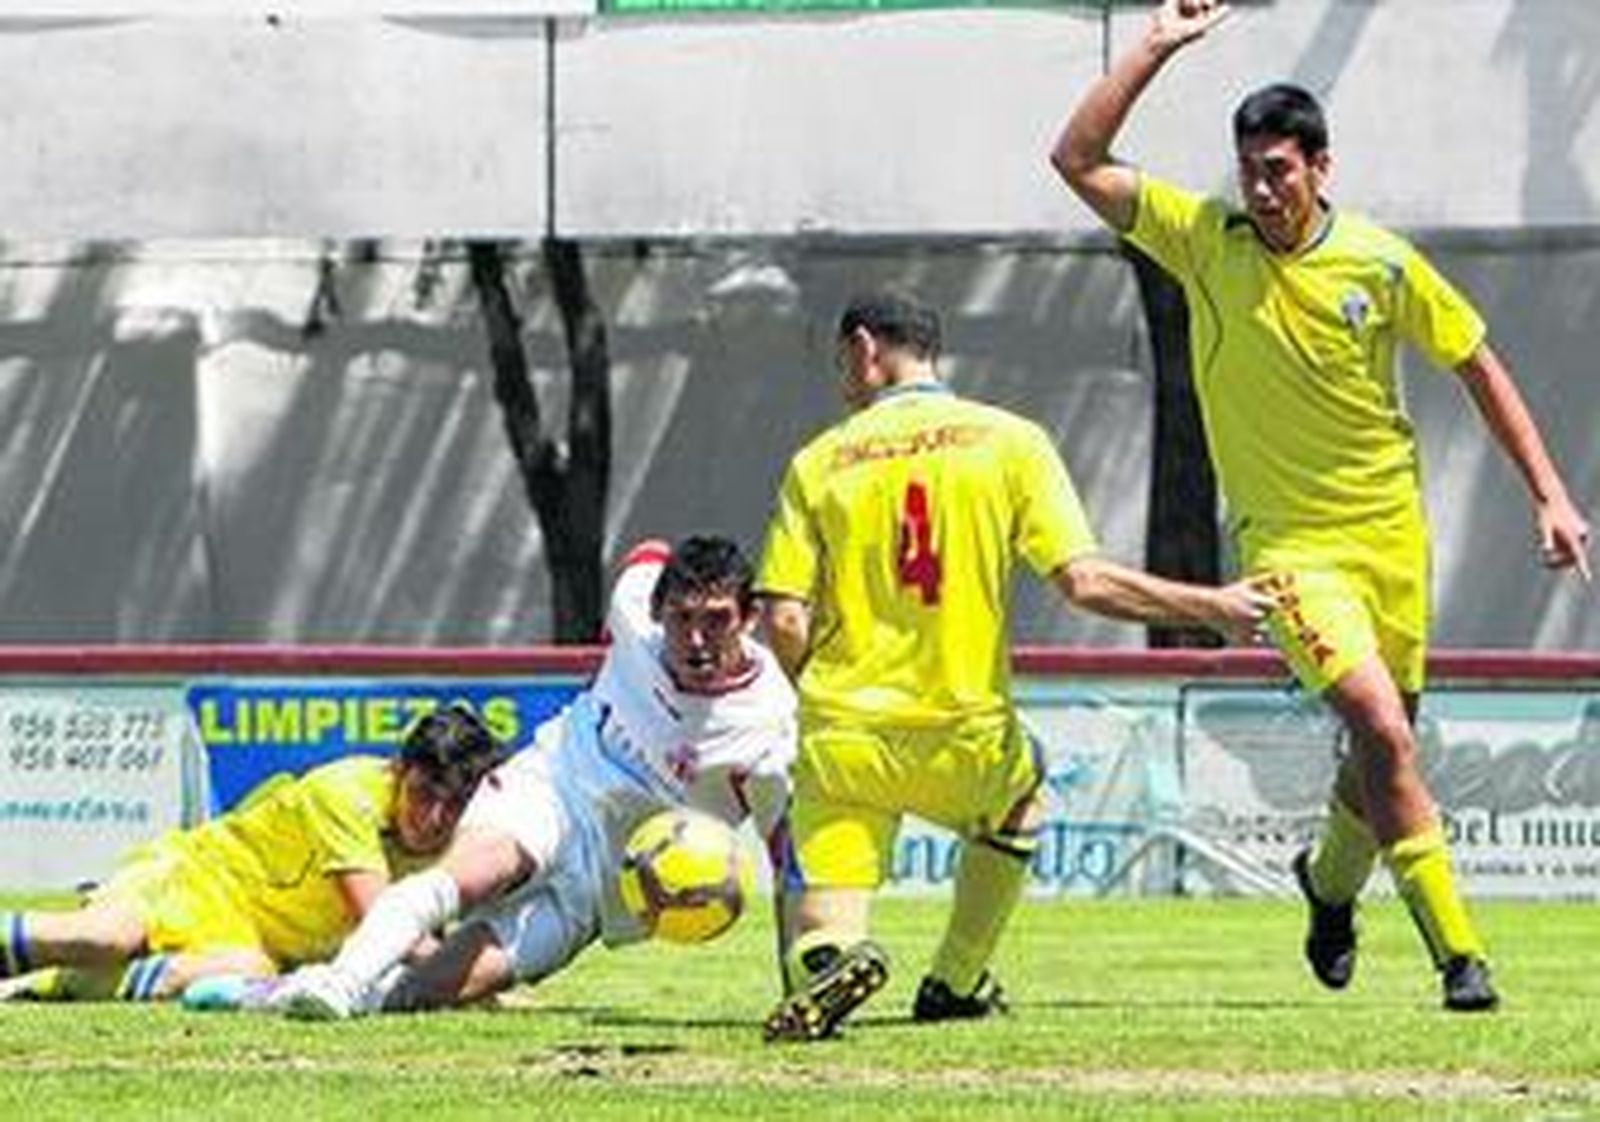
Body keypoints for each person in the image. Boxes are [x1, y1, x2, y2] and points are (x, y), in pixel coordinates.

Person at [1049, 0, 1591, 1011]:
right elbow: (1076, 158)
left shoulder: (1380, 264)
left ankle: (1328, 885)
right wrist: (1156, 46)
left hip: (1392, 540)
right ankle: (1459, 957)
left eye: (1278, 170)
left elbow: (1475, 361)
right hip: (1288, 553)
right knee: (1381, 732)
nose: (1259, 188)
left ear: (1319, 168)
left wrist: (1550, 495)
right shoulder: (1205, 241)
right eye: (1248, 168)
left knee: (1383, 748)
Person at [757, 289, 1273, 1042]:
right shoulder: (1010, 441)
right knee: (1021, 800)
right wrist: (1213, 606)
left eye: (844, 362)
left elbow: (783, 617)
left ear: (867, 349)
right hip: (963, 728)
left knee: (822, 913)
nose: (844, 380)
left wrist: (815, 686)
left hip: (845, 730)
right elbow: (1085, 581)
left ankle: (831, 957)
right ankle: (956, 977)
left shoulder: (818, 462)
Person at [258, 535, 797, 1018]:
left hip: (603, 886)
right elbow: (645, 554)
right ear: (656, 610)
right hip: (556, 785)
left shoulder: (769, 724)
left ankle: (336, 990)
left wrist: (796, 987)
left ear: (749, 618)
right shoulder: (634, 613)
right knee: (475, 874)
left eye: (717, 620)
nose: (697, 639)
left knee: (436, 990)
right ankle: (341, 981)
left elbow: (786, 858)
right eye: (682, 618)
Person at [0, 704, 502, 1002]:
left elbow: (429, 938)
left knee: (249, 975)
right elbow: (383, 924)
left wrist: (461, 975)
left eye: (453, 803)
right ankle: (44, 966)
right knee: (108, 937)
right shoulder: (347, 793)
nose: (434, 817)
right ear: (398, 770)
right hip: (191, 878)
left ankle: (45, 982)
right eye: (424, 793)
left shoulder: (464, 836)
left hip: (247, 942)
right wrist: (479, 977)